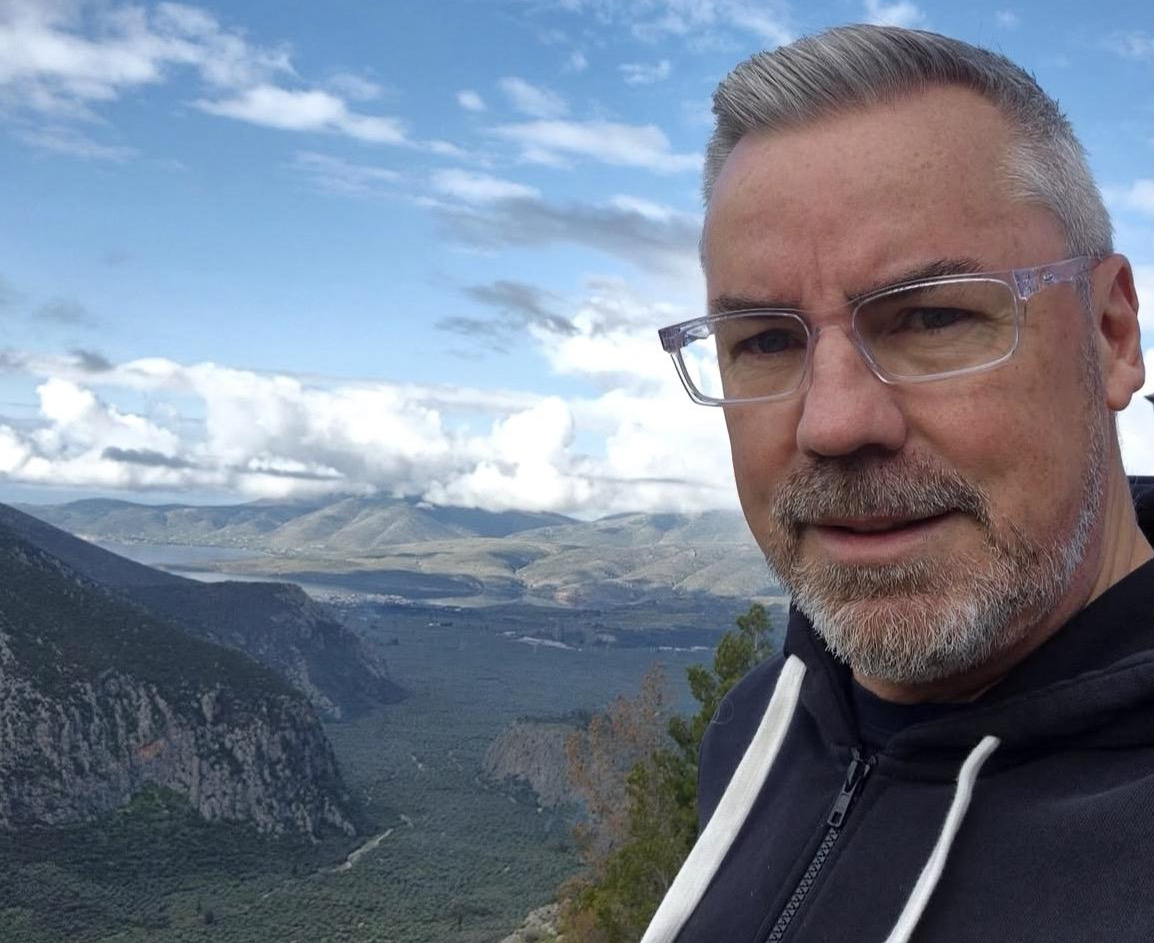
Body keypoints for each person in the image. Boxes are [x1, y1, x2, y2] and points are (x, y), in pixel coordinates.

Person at [646, 24, 1153, 943]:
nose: (835, 423)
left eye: (932, 317)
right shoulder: (758, 729)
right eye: (766, 339)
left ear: (1112, 335)